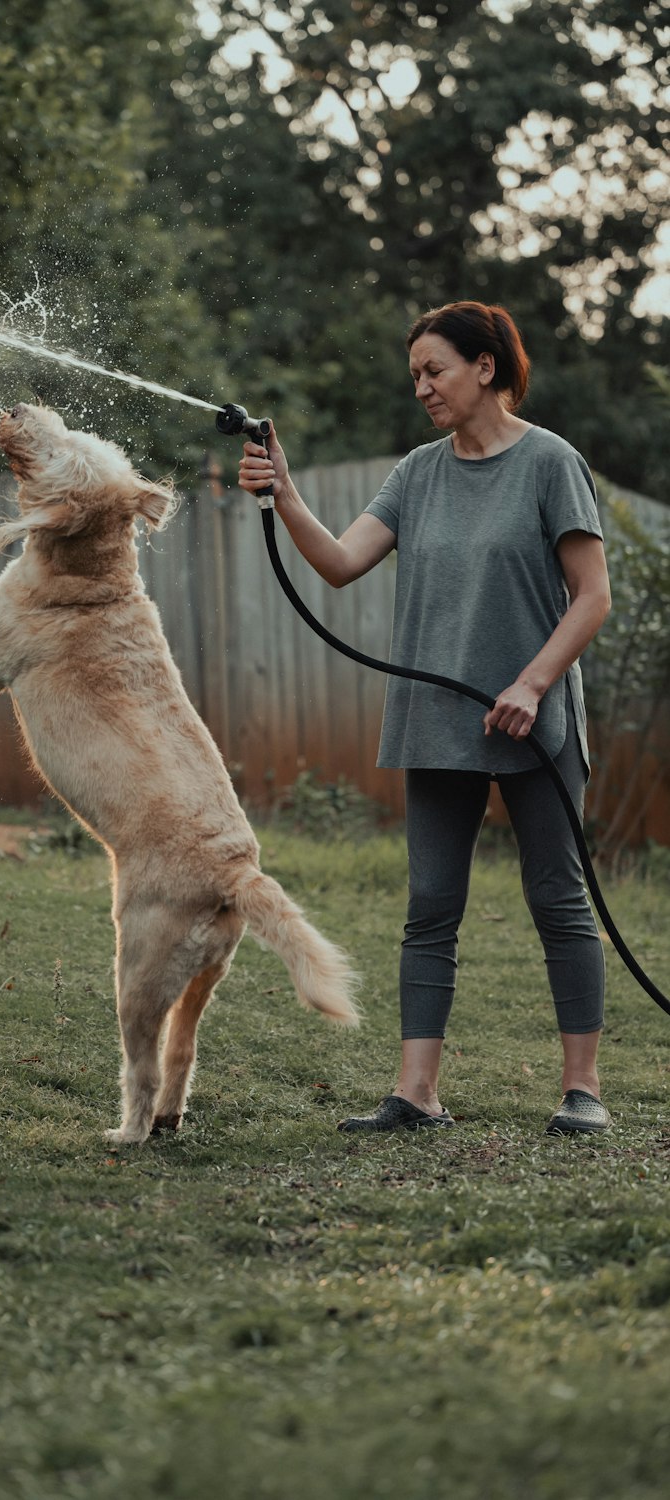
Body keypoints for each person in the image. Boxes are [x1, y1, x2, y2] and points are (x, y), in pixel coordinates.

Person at [237, 300, 613, 1136]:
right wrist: (286, 491)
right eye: (414, 375)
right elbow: (337, 564)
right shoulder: (417, 472)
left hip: (533, 719)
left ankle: (582, 1091)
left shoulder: (551, 462)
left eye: (434, 370)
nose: (422, 388)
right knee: (430, 907)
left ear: (486, 368)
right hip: (437, 718)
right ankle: (416, 1093)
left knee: (559, 900)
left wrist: (533, 683)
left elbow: (593, 598)